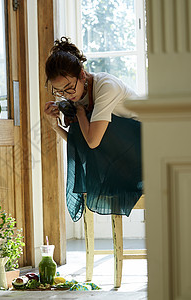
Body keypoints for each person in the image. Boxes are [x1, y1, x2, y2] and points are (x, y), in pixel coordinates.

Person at [43, 37, 143, 222]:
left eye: (69, 88)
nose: (66, 95)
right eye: (59, 91)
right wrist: (54, 126)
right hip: (124, 156)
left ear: (82, 74)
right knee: (81, 122)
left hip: (147, 145)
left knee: (86, 120)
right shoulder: (76, 94)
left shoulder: (106, 86)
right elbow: (82, 143)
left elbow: (92, 141)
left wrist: (80, 113)